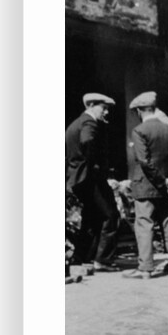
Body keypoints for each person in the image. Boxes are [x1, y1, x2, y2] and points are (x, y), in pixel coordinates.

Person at [123, 92, 168, 279]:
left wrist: (162, 181)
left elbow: (144, 161)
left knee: (144, 224)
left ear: (139, 111)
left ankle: (146, 268)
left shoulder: (139, 131)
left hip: (146, 187)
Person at [65, 92, 121, 271]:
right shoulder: (89, 122)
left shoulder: (75, 124)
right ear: (90, 106)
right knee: (110, 215)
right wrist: (96, 168)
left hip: (78, 178)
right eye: (103, 108)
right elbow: (88, 141)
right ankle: (103, 260)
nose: (106, 112)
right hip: (91, 178)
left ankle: (82, 258)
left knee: (91, 218)